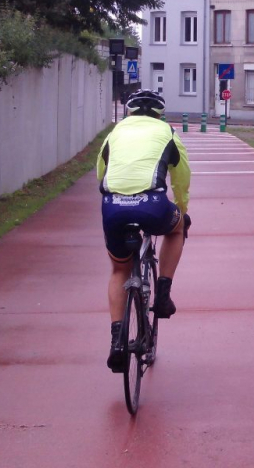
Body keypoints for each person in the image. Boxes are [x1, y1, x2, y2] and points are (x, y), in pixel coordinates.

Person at [96, 89, 191, 373]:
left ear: (129, 112)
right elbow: (182, 176)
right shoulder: (167, 132)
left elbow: (101, 173)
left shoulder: (115, 133)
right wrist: (182, 209)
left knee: (119, 271)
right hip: (152, 204)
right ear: (159, 113)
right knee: (177, 229)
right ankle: (163, 292)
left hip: (113, 206)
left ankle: (117, 342)